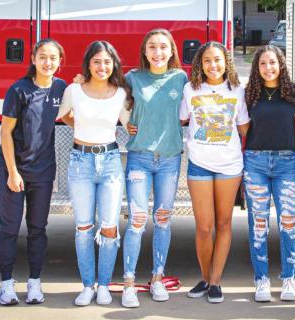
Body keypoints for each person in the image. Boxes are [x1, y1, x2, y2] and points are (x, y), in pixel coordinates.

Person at [58, 41, 131, 306]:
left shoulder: (121, 93)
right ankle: (87, 285)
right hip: (80, 162)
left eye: (107, 62)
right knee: (84, 228)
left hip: (110, 161)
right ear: (88, 64)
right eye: (97, 61)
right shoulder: (74, 90)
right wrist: (80, 126)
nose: (102, 67)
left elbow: (130, 125)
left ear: (114, 65)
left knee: (109, 227)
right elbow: (65, 115)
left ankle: (104, 285)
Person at [0, 38, 66, 305]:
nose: (48, 62)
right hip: (14, 169)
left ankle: (35, 283)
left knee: (38, 229)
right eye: (43, 57)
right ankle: (5, 284)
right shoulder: (18, 90)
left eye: (53, 58)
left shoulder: (61, 87)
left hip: (43, 171)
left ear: (60, 62)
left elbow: (70, 113)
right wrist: (13, 172)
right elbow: (5, 132)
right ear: (33, 59)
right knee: (10, 228)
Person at [121, 29, 188, 308]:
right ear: (145, 51)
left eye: (163, 47)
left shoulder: (181, 78)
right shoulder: (132, 78)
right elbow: (110, 99)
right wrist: (125, 121)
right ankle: (128, 284)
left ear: (172, 50)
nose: (158, 52)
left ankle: (158, 278)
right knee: (137, 220)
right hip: (139, 158)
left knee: (162, 219)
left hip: (170, 159)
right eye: (152, 47)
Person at [180, 41, 250, 304]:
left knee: (223, 224)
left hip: (230, 166)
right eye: (207, 60)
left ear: (226, 62)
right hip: (199, 163)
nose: (213, 65)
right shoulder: (190, 89)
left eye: (218, 60)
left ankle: (216, 281)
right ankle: (205, 277)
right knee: (204, 227)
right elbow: (182, 118)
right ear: (200, 63)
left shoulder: (237, 90)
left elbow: (243, 127)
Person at [242, 45, 295, 302]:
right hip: (255, 162)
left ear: (281, 64)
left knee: (288, 224)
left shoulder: (294, 91)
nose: (268, 68)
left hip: (287, 162)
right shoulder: (249, 93)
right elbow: (242, 127)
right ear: (257, 67)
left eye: (273, 63)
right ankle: (261, 280)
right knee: (259, 225)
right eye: (263, 63)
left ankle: (289, 279)